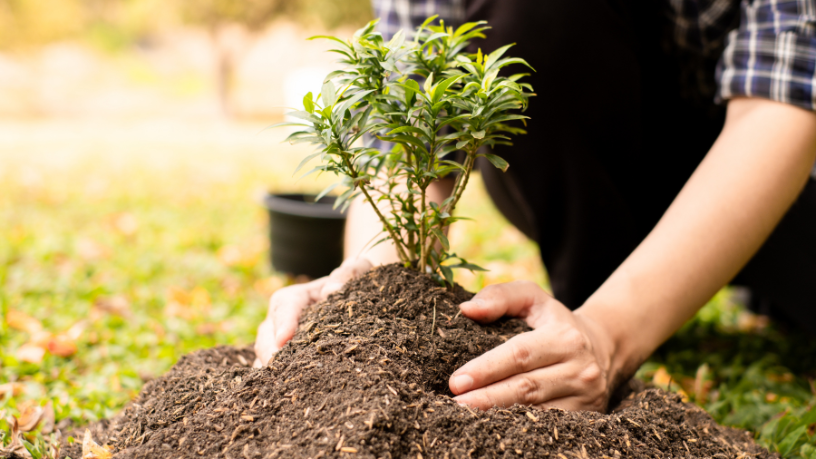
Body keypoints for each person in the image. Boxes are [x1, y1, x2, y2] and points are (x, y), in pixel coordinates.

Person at [255, 0, 816, 412]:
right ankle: (595, 295)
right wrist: (372, 286)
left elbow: (784, 97)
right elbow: (413, 126)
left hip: (785, 168)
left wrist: (609, 337)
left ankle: (647, 307)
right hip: (596, 164)